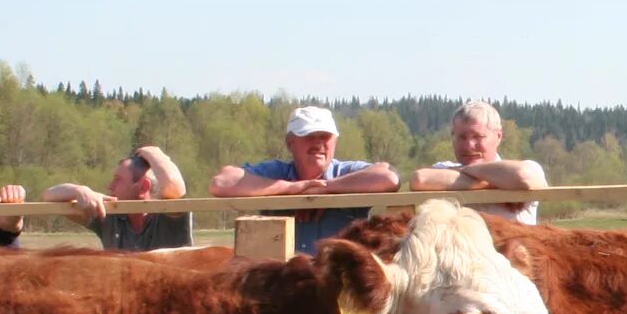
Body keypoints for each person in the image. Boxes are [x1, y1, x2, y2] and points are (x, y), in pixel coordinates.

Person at [211, 106, 400, 254]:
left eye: (325, 137)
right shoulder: (276, 173)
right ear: (290, 143)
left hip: (339, 286)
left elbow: (389, 178)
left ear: (335, 141)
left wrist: (327, 190)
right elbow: (222, 182)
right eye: (308, 136)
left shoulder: (347, 172)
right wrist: (290, 189)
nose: (318, 144)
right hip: (283, 285)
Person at [408, 101, 547, 223]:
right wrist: (497, 182)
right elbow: (419, 179)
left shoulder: (530, 167)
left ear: (498, 136)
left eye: (478, 137)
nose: (469, 146)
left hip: (513, 252)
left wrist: (466, 172)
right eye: (461, 137)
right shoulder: (444, 168)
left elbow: (523, 177)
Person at [47, 146, 193, 252]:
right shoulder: (109, 217)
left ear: (143, 188)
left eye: (118, 180)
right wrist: (79, 190)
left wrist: (152, 152)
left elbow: (175, 187)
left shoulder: (171, 217)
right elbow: (49, 196)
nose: (110, 186)